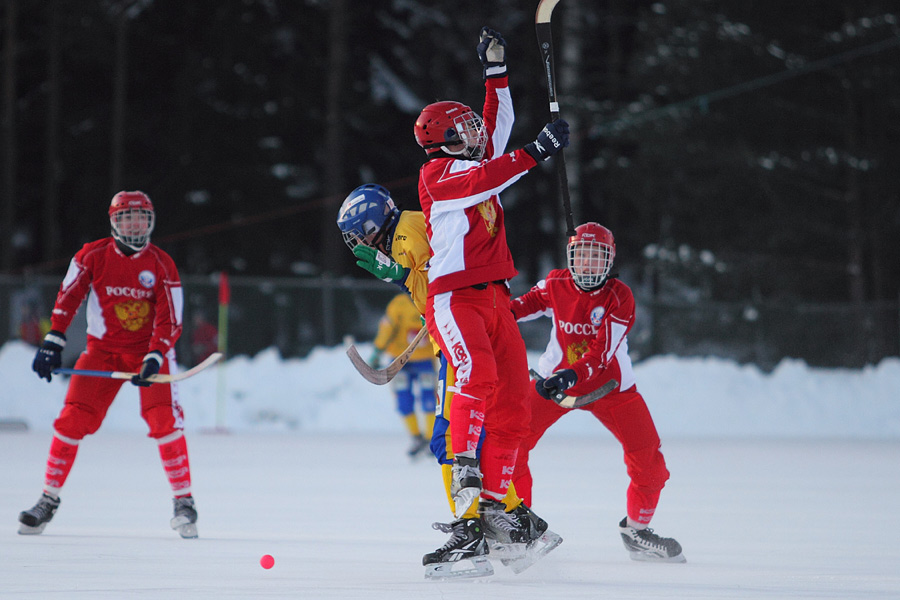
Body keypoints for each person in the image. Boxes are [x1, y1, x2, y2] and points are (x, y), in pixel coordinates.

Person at [338, 182, 557, 579]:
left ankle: (473, 533)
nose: (358, 244)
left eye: (359, 233)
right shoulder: (407, 229)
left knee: (450, 439)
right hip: (469, 332)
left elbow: (437, 288)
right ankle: (518, 523)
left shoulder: (408, 230)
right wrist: (404, 277)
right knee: (478, 435)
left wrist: (402, 275)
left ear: (374, 222)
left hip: (461, 343)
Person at [413, 25, 569, 572]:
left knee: (514, 406)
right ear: (447, 139)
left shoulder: (476, 166)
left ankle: (497, 511)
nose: (479, 135)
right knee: (476, 376)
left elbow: (497, 132)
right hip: (455, 299)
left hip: (495, 298)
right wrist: (537, 151)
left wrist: (496, 71)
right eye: (467, 130)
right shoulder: (439, 175)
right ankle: (463, 482)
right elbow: (492, 171)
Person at [21, 191, 200, 540]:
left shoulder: (162, 263)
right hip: (102, 353)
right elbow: (69, 294)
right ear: (113, 221)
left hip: (149, 353)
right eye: (127, 217)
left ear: (151, 222)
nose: (134, 224)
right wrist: (53, 339)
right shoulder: (92, 255)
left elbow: (170, 320)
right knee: (71, 419)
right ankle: (47, 499)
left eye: (141, 217)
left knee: (164, 420)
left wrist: (155, 355)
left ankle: (184, 501)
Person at [510, 222, 686, 563]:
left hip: (609, 386)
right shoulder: (556, 281)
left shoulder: (620, 297)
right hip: (553, 383)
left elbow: (600, 353)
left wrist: (569, 376)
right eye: (583, 256)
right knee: (512, 446)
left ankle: (637, 531)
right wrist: (486, 313)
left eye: (597, 257)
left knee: (650, 461)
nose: (589, 265)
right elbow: (520, 307)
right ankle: (517, 529)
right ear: (571, 257)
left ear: (610, 261)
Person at [370, 292, 437, 459]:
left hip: (413, 360)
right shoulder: (406, 303)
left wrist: (378, 351)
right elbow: (387, 328)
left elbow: (387, 328)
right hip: (408, 361)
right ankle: (421, 437)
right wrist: (378, 350)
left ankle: (425, 438)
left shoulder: (420, 301)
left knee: (421, 398)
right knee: (410, 398)